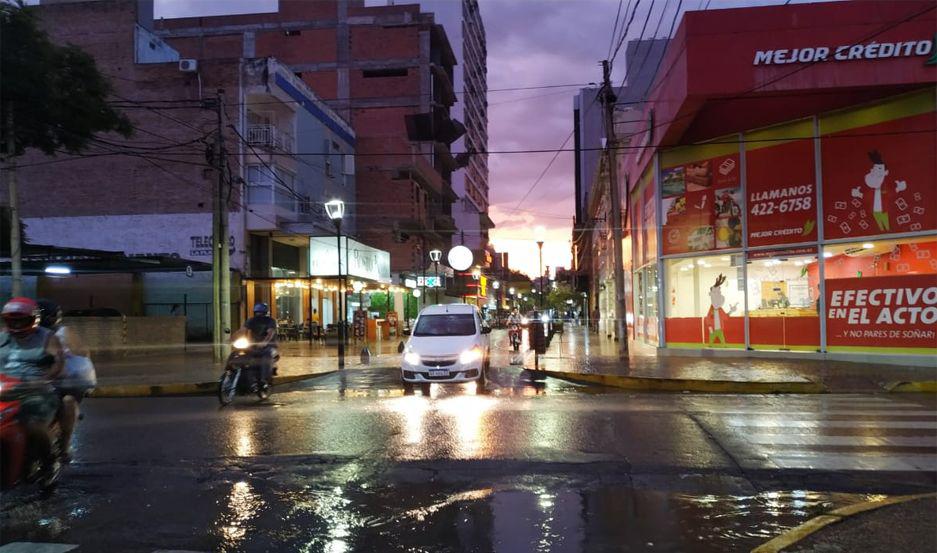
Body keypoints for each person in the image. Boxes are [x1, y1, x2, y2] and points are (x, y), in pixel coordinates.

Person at [0, 297, 64, 486]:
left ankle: (49, 463)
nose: (17, 324)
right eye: (13, 320)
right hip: (5, 388)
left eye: (21, 319)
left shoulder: (47, 337)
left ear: (33, 319)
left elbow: (58, 362)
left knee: (32, 424)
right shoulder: (2, 337)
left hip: (35, 390)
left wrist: (43, 380)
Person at [37, 299, 93, 464]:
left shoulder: (64, 333)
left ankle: (64, 446)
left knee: (68, 402)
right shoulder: (24, 335)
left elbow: (83, 355)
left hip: (61, 382)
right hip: (29, 380)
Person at [240, 302, 277, 389]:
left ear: (265, 313)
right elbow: (243, 330)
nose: (258, 314)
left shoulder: (270, 321)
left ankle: (263, 380)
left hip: (268, 346)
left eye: (260, 312)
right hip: (254, 345)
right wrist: (232, 339)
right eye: (257, 312)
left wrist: (265, 342)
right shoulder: (251, 320)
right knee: (242, 355)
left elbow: (270, 333)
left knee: (266, 357)